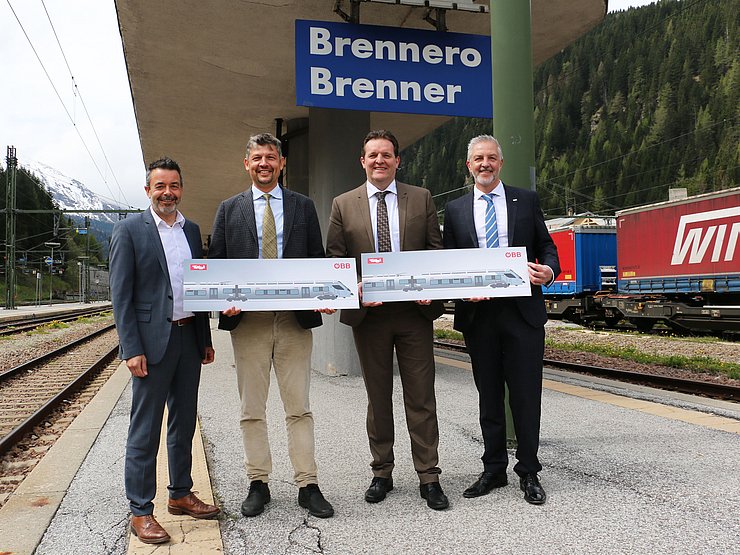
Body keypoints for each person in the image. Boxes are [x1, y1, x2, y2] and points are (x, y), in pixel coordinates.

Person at [208, 132, 334, 519]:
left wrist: (325, 293)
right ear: (246, 164)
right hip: (249, 324)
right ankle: (258, 482)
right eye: (257, 158)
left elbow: (317, 257)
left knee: (299, 407)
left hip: (295, 321)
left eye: (271, 158)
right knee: (252, 408)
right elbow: (218, 263)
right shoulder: (229, 209)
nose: (264, 164)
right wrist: (221, 304)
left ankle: (307, 484)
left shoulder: (303, 206)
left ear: (281, 164)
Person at [326, 130, 449, 511]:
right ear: (362, 161)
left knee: (421, 396)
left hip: (414, 313)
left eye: (387, 155)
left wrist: (433, 288)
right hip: (371, 316)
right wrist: (355, 287)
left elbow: (434, 251)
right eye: (373, 155)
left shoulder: (422, 198)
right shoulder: (343, 204)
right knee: (378, 397)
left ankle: (429, 476)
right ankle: (382, 472)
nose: (380, 160)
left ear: (398, 160)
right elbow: (336, 258)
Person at [442, 135, 560, 505]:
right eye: (478, 158)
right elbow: (449, 262)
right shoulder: (456, 209)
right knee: (489, 396)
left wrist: (550, 272)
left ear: (501, 163)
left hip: (522, 313)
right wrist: (462, 291)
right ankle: (493, 469)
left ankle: (529, 471)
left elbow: (547, 246)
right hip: (480, 316)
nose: (485, 164)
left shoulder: (525, 200)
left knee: (526, 397)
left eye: (491, 158)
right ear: (469, 165)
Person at [110, 158, 218, 545]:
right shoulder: (129, 231)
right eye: (160, 186)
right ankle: (141, 510)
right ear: (147, 190)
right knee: (145, 429)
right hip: (151, 345)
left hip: (189, 340)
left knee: (183, 422)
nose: (167, 193)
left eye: (173, 185)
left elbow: (198, 288)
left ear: (181, 189)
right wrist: (130, 348)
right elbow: (120, 297)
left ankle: (181, 493)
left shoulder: (191, 230)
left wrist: (205, 338)